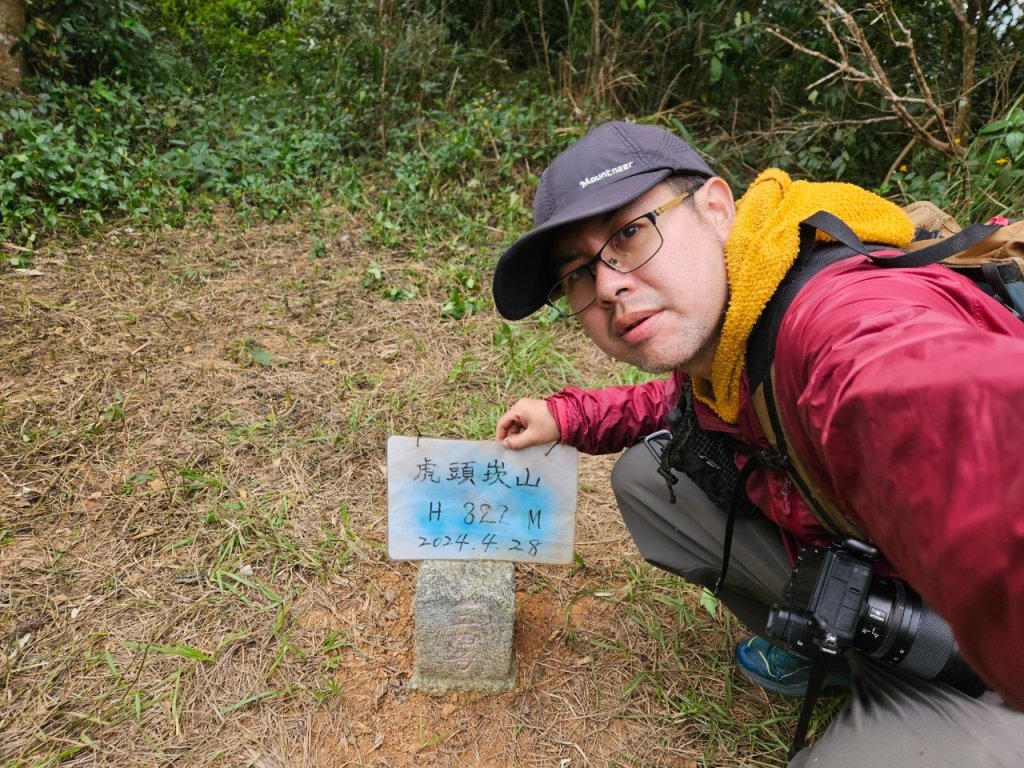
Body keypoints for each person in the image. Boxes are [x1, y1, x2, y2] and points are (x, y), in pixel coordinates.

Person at [490, 120, 1024, 766]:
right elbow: (682, 403)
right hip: (886, 600)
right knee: (646, 478)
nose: (606, 287)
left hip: (989, 673)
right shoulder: (733, 329)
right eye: (577, 273)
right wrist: (567, 416)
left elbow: (937, 405)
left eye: (629, 234)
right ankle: (836, 660)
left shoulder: (837, 324)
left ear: (717, 209)